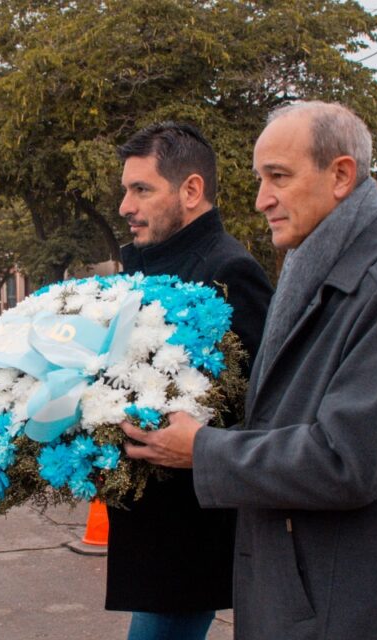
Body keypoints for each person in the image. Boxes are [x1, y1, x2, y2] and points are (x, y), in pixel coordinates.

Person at [120, 102, 377, 639]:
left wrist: (203, 449)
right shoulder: (313, 269)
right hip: (296, 590)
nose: (261, 200)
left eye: (277, 177)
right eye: (260, 179)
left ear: (341, 176)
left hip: (349, 604)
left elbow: (345, 459)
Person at [111, 122, 273, 639]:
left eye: (141, 190)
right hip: (154, 524)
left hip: (191, 533)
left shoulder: (229, 271)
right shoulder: (149, 264)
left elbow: (260, 406)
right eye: (125, 189)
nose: (125, 206)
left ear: (191, 190)